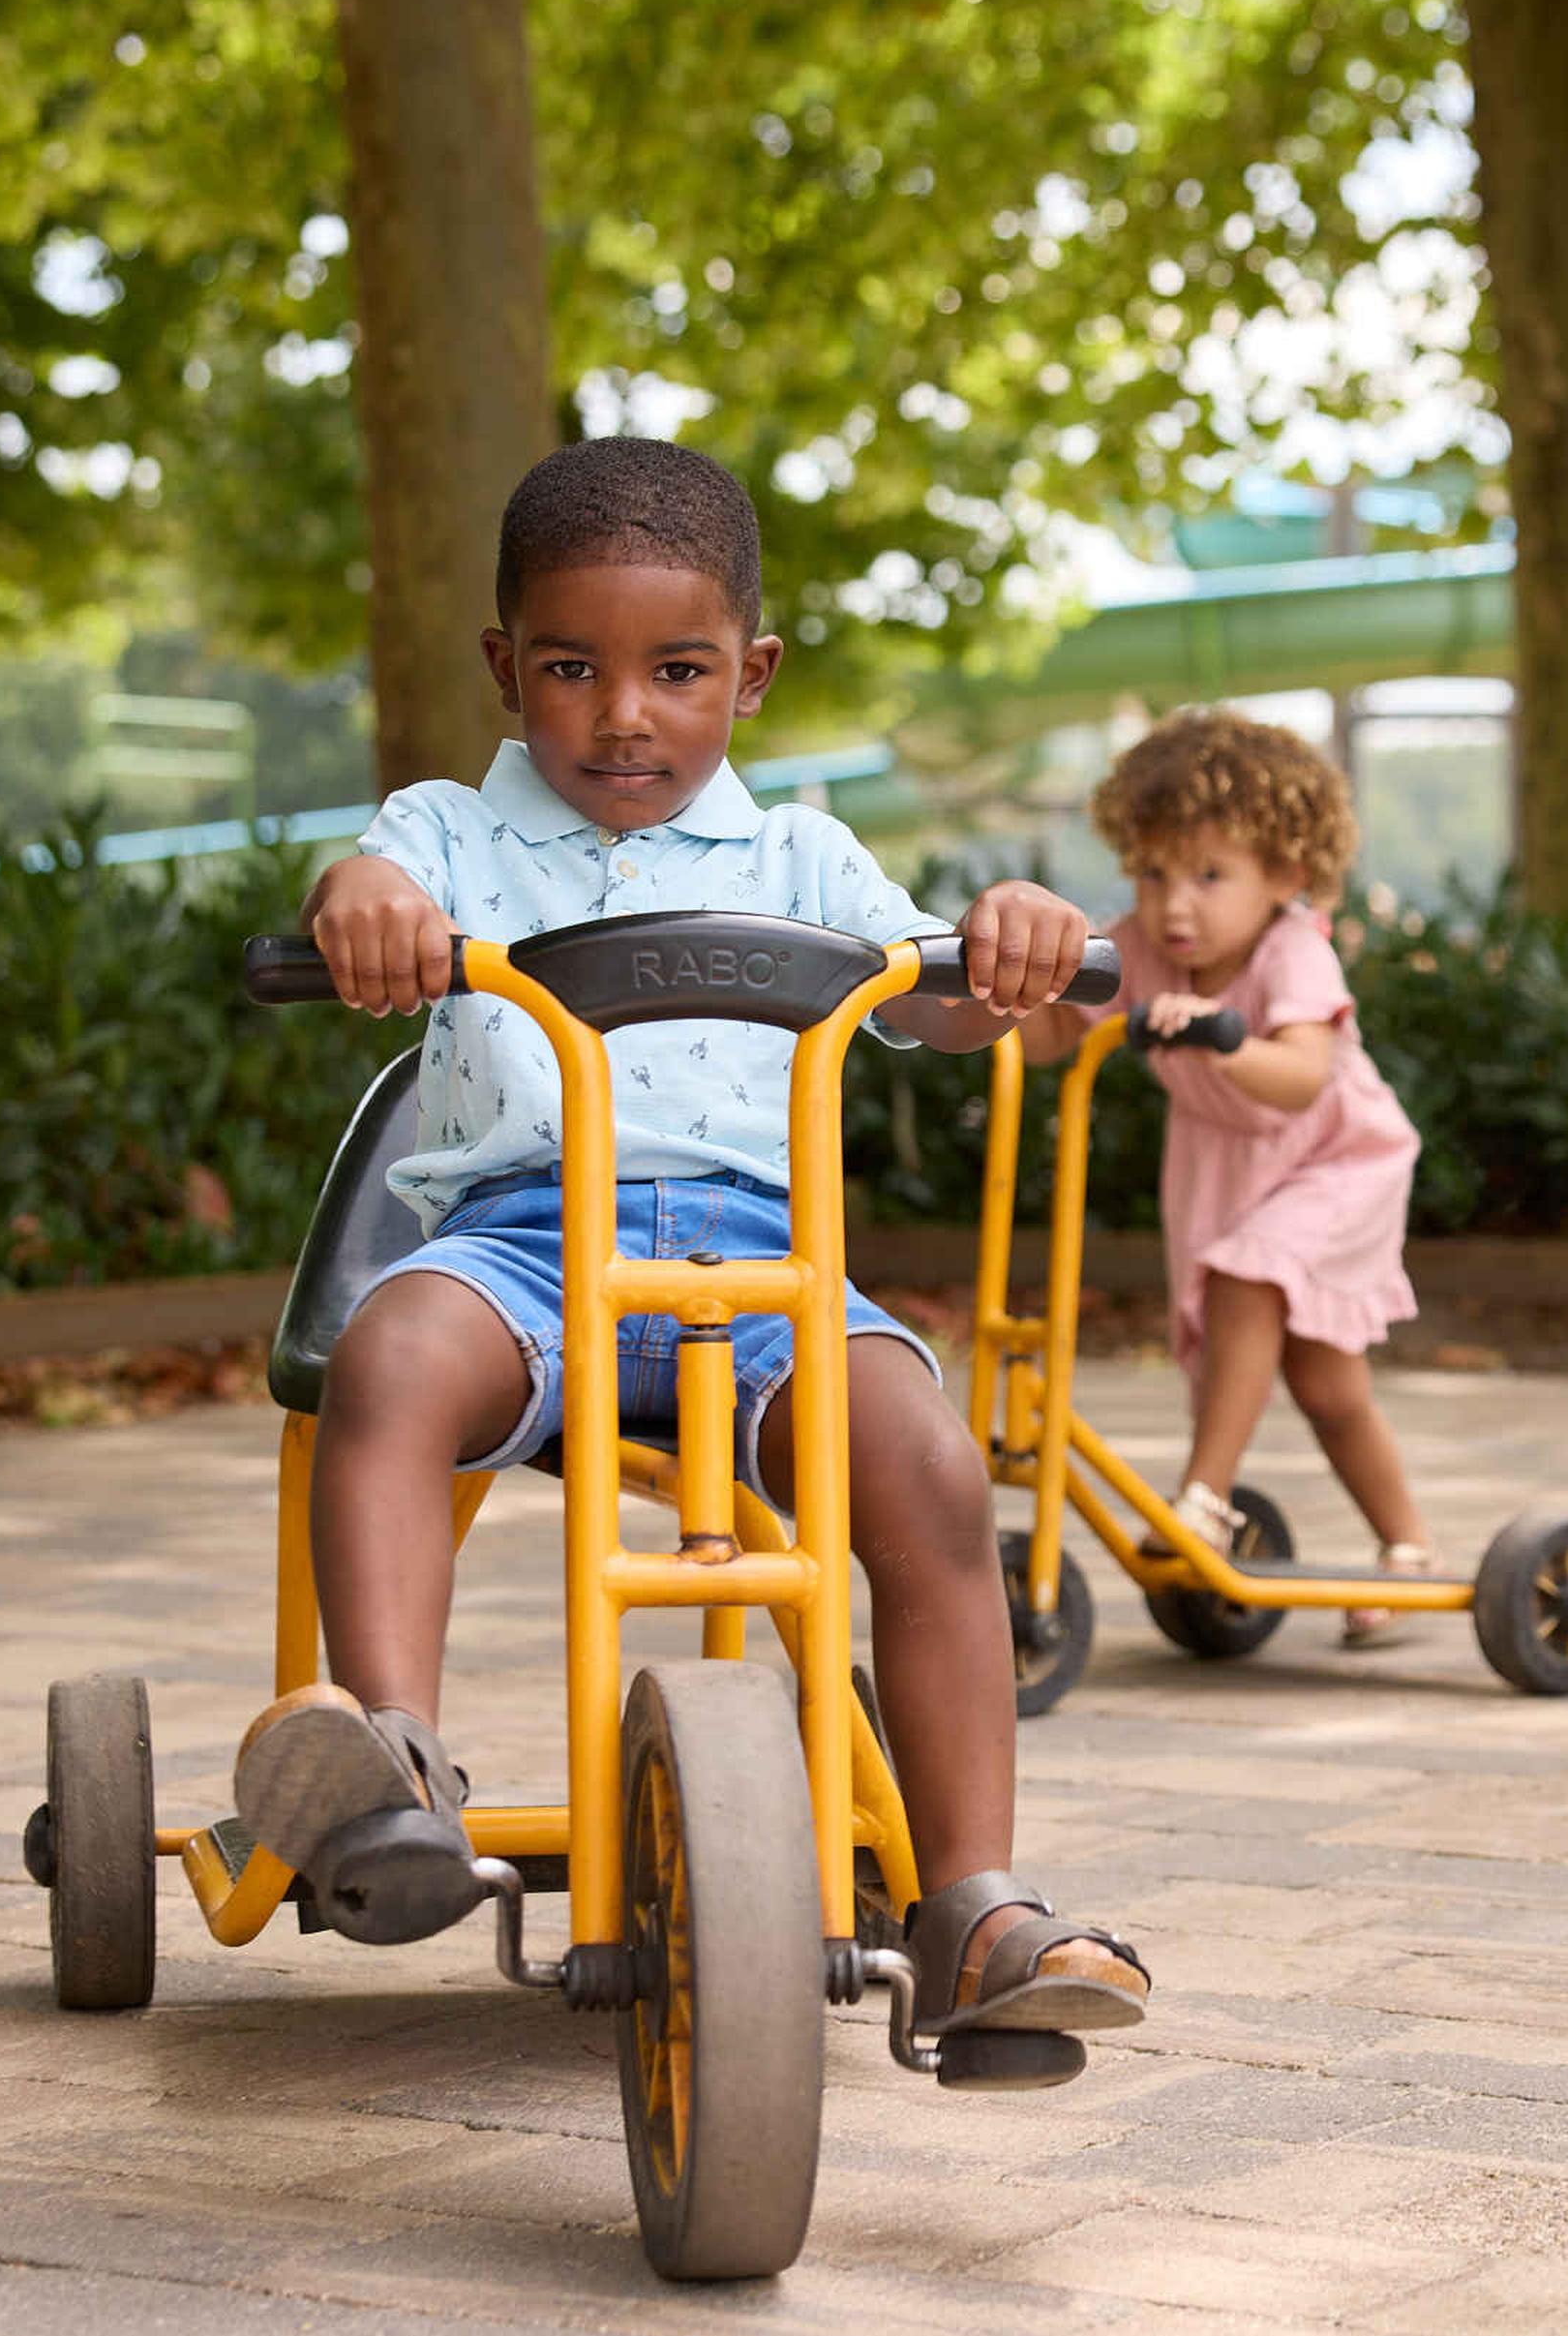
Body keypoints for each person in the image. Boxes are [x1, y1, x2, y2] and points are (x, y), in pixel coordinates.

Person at [256, 437, 1149, 2053]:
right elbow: (366, 879)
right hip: (527, 1247)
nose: (623, 715)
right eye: (571, 669)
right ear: (502, 666)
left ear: (752, 673)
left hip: (769, 1275)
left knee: (932, 1472)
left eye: (677, 671)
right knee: (389, 1360)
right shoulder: (451, 830)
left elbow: (935, 994)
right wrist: (363, 908)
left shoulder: (803, 855)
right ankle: (390, 1768)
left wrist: (1016, 940)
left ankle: (971, 1904)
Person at [1017, 711, 1436, 1651]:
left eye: (1210, 877)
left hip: (1332, 1158)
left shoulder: (1295, 949)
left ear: (1285, 873)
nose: (1175, 907)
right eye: (1154, 872)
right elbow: (1050, 1039)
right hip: (1223, 1164)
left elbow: (1301, 1076)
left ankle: (1203, 1497)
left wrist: (1222, 1035)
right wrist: (1016, 992)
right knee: (1320, 1384)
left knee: (1247, 1277)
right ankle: (1406, 1542)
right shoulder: (1141, 946)